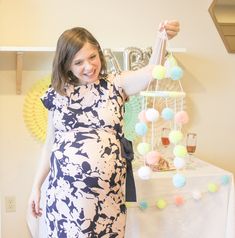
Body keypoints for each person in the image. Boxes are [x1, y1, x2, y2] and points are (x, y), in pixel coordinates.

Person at [28, 20, 180, 238]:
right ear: (66, 65)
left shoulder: (115, 84)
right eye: (78, 62)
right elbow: (49, 146)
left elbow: (150, 73)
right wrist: (36, 187)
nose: (89, 66)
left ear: (99, 52)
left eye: (92, 57)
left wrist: (161, 38)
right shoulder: (57, 94)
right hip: (64, 197)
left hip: (108, 198)